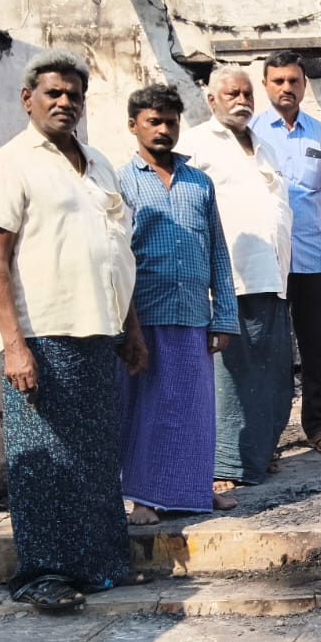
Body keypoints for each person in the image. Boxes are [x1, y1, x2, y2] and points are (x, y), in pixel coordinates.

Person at [0, 49, 144, 612]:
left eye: (74, 95)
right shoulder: (10, 164)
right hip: (42, 336)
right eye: (54, 93)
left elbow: (117, 253)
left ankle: (99, 566)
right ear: (28, 100)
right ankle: (42, 575)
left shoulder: (98, 163)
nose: (65, 102)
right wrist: (14, 346)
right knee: (44, 460)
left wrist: (130, 329)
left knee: (94, 457)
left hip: (99, 332)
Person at [115, 84, 240, 526]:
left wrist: (224, 315)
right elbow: (117, 255)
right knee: (148, 409)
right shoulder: (121, 182)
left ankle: (196, 490)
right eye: (154, 121)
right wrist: (124, 325)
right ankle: (144, 498)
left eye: (170, 121)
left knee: (194, 408)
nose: (163, 130)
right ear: (134, 126)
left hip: (193, 313)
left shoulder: (198, 182)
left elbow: (218, 251)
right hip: (143, 314)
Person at [179, 67, 294, 488]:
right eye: (232, 94)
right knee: (229, 377)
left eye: (247, 93)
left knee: (271, 375)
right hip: (230, 277)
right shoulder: (194, 144)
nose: (242, 100)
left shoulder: (265, 146)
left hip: (273, 277)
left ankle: (258, 454)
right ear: (211, 100)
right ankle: (224, 465)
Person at [253, 50, 321, 455]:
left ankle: (316, 426)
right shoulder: (250, 134)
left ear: (304, 84)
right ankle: (268, 436)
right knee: (269, 351)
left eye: (293, 81)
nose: (286, 88)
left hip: (312, 257)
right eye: (278, 81)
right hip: (266, 261)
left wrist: (307, 224)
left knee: (314, 347)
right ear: (266, 85)